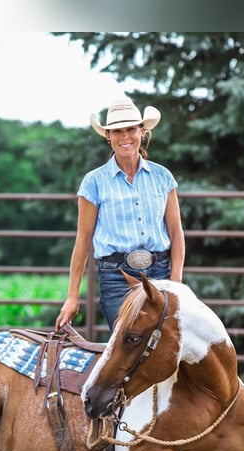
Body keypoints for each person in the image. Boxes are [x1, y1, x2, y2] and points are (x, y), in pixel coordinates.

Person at [55, 96, 185, 333]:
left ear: (142, 132)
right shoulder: (94, 182)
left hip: (161, 273)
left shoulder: (163, 177)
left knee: (165, 346)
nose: (125, 136)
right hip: (116, 277)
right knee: (129, 349)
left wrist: (176, 281)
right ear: (108, 136)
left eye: (131, 129)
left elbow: (176, 233)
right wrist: (73, 297)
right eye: (117, 131)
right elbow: (83, 240)